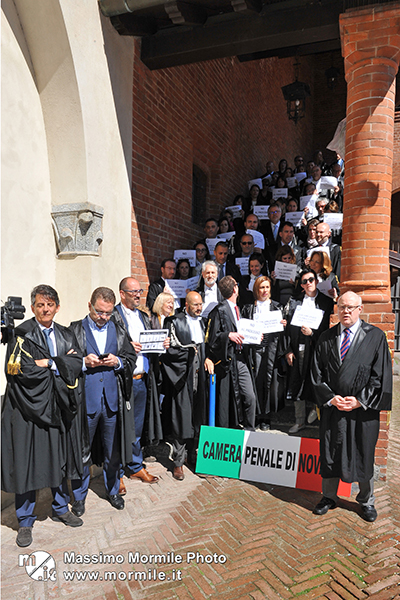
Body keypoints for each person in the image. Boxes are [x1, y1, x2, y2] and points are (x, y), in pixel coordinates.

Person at [2, 284, 89, 547]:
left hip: (57, 407)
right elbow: (17, 371)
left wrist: (50, 362)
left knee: (59, 460)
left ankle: (60, 508)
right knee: (27, 465)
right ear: (33, 308)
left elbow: (76, 363)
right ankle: (25, 520)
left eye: (50, 304)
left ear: (57, 307)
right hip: (27, 410)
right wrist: (57, 364)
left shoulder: (65, 333)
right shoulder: (21, 335)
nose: (45, 309)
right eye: (40, 305)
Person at [311, 292, 392, 522]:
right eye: (342, 307)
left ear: (360, 309)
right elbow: (316, 374)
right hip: (334, 408)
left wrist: (359, 400)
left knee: (363, 452)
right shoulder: (326, 337)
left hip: (361, 411)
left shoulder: (375, 337)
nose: (346, 311)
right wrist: (330, 398)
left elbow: (380, 376)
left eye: (351, 307)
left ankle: (366, 501)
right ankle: (329, 496)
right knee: (330, 452)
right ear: (337, 309)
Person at [69, 287, 136, 513]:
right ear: (90, 306)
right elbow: (65, 361)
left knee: (112, 450)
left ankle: (113, 490)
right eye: (99, 312)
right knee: (82, 451)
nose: (103, 317)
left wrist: (117, 362)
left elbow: (130, 358)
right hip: (86, 401)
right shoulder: (75, 329)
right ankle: (79, 497)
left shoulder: (118, 330)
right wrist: (82, 362)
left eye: (107, 313)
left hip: (111, 400)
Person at [114, 278, 167, 487]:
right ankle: (116, 472)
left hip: (142, 380)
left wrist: (162, 343)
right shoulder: (114, 316)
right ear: (122, 293)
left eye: (139, 291)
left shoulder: (144, 317)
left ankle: (135, 466)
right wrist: (126, 346)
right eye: (133, 291)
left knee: (136, 427)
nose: (138, 295)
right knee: (119, 427)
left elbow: (152, 342)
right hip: (122, 380)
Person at [162, 292, 214, 480]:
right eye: (195, 305)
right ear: (186, 304)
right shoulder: (173, 321)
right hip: (183, 376)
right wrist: (191, 354)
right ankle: (178, 462)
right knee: (181, 419)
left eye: (200, 304)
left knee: (197, 417)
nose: (199, 308)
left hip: (200, 378)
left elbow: (207, 347)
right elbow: (169, 351)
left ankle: (193, 455)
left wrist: (206, 357)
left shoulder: (202, 322)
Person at [284, 269, 333, 433]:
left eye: (310, 280)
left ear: (316, 281)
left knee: (316, 380)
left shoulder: (326, 302)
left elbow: (328, 328)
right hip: (298, 347)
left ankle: (315, 411)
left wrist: (313, 333)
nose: (308, 283)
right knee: (297, 382)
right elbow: (288, 328)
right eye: (304, 281)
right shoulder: (295, 301)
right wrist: (288, 350)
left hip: (317, 347)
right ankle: (299, 421)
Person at [205, 276, 257, 430]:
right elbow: (212, 339)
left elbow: (242, 333)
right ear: (235, 288)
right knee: (228, 399)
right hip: (228, 360)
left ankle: (250, 429)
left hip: (241, 358)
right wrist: (227, 335)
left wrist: (255, 336)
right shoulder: (219, 311)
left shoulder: (238, 309)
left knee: (250, 396)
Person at [242, 276, 286, 431]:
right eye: (261, 287)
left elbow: (283, 332)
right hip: (254, 349)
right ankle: (255, 415)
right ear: (256, 289)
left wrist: (283, 324)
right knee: (255, 381)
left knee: (268, 383)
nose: (265, 290)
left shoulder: (277, 307)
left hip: (271, 349)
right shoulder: (248, 308)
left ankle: (265, 417)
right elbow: (244, 329)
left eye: (267, 287)